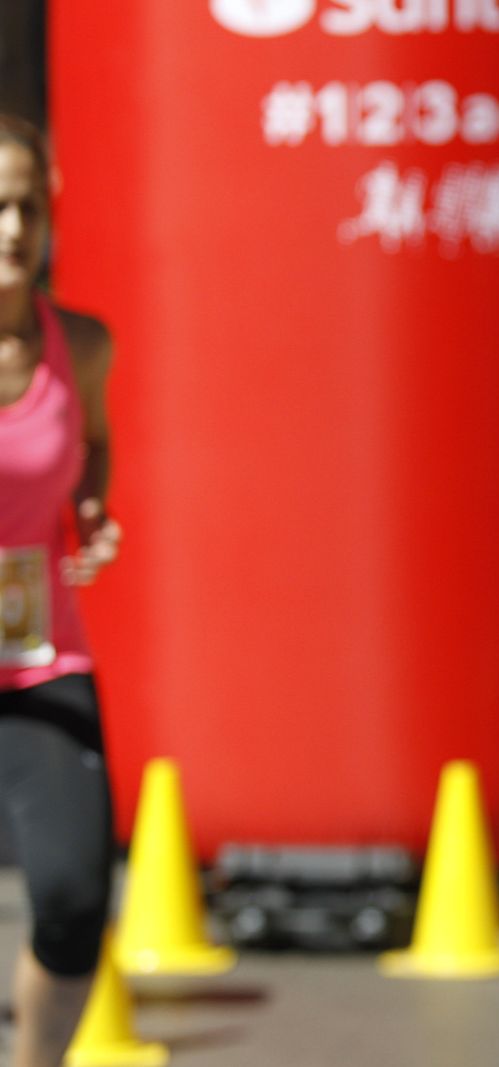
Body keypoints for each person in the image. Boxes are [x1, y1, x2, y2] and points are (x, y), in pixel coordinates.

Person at [0, 114, 121, 1067]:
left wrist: (90, 510)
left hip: (41, 657)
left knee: (77, 895)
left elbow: (96, 448)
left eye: (25, 207)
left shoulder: (77, 345)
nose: (8, 229)